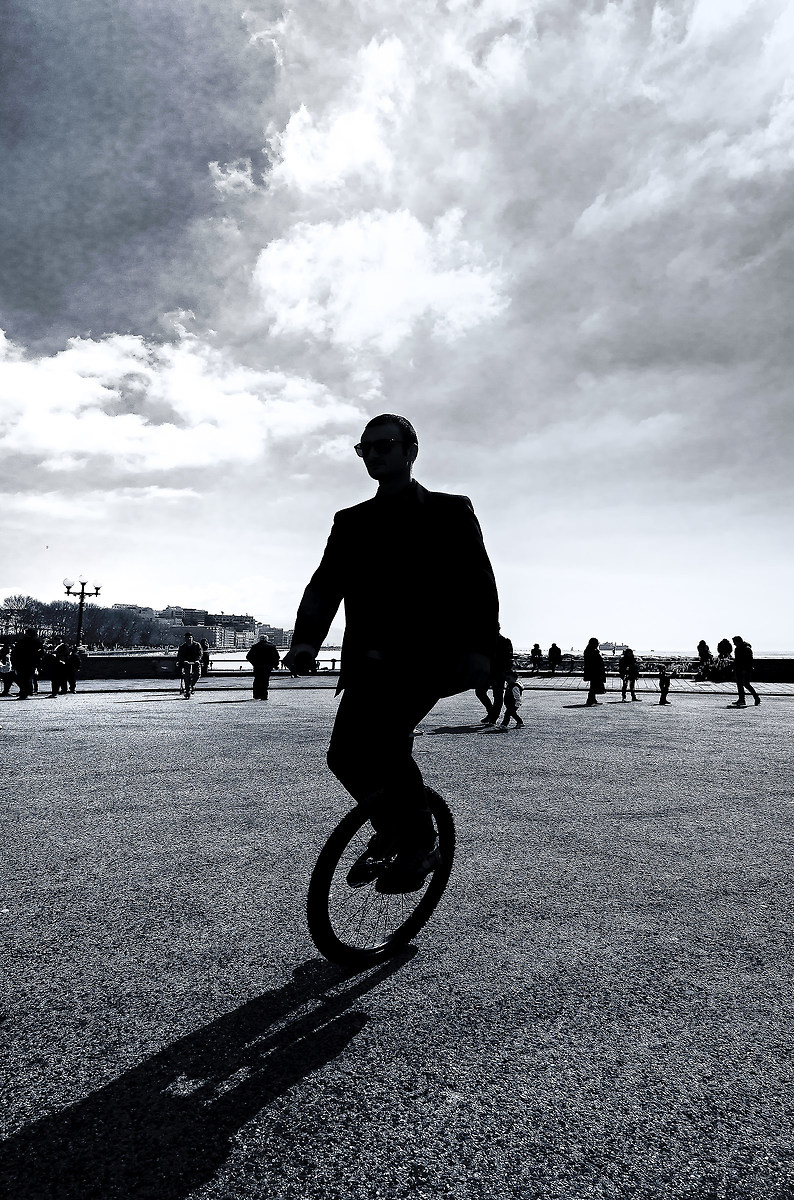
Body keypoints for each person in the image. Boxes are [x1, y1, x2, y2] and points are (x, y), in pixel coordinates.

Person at [284, 414, 499, 894]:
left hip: (428, 657)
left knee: (384, 739)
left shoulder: (449, 510)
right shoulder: (351, 521)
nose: (374, 455)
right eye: (366, 449)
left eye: (384, 445)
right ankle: (394, 827)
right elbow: (325, 585)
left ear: (410, 451)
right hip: (369, 660)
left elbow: (478, 584)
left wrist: (480, 648)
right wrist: (305, 641)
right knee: (344, 756)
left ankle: (422, 844)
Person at [476, 632, 513, 725]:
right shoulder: (487, 641)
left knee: (497, 696)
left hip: (499, 672)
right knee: (480, 692)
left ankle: (493, 718)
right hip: (487, 672)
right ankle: (491, 713)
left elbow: (509, 658)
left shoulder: (504, 641)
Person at [10, 629, 43, 700]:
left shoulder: (21, 641)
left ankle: (23, 692)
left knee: (22, 678)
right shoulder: (37, 642)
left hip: (21, 662)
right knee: (28, 678)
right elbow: (41, 653)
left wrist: (14, 663)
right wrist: (38, 662)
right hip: (31, 662)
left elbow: (15, 653)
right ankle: (27, 692)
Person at [246, 634, 280, 700]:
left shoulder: (255, 646)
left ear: (259, 639)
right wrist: (275, 665)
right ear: (267, 639)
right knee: (265, 681)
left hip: (258, 667)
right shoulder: (271, 646)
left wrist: (254, 663)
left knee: (257, 680)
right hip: (267, 667)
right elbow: (276, 657)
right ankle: (264, 696)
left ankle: (256, 695)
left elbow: (248, 656)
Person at [731, 635, 760, 707]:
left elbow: (749, 661)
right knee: (740, 684)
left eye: (735, 642)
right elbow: (737, 660)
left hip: (745, 669)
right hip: (738, 669)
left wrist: (745, 669)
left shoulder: (746, 649)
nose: (734, 644)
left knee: (746, 684)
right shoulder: (738, 649)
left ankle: (756, 697)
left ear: (739, 641)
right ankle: (741, 699)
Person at [176, 632, 202, 697]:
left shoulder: (197, 645)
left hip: (195, 662)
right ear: (185, 639)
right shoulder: (182, 647)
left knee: (198, 674)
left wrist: (197, 660)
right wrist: (183, 661)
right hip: (186, 662)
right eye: (187, 638)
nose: (189, 639)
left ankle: (192, 685)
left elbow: (200, 653)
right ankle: (187, 689)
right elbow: (180, 656)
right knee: (187, 675)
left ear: (192, 638)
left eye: (190, 637)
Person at [583, 637, 606, 706]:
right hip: (594, 671)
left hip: (592, 670)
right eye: (597, 643)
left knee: (593, 685)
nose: (598, 644)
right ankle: (590, 699)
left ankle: (592, 699)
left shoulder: (589, 650)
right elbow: (594, 661)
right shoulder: (592, 651)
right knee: (593, 685)